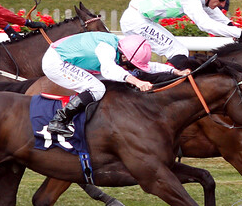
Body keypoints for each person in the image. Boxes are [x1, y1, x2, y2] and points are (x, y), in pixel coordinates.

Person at [42, 32, 190, 137]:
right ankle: (59, 120)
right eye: (131, 65)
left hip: (70, 58)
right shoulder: (106, 48)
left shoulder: (122, 48)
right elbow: (109, 70)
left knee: (112, 83)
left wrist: (174, 71)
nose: (131, 68)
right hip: (56, 62)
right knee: (97, 88)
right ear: (124, 55)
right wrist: (137, 82)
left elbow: (149, 66)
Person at [119, 0, 242, 70]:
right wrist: (240, 33)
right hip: (136, 21)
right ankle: (164, 85)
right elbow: (204, 24)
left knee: (178, 51)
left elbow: (211, 10)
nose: (223, 4)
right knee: (178, 52)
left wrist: (232, 26)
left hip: (140, 18)